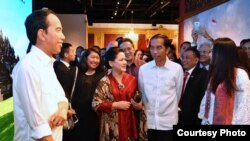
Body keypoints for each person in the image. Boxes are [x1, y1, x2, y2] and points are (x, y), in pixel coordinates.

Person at [12, 8, 68, 141]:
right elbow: (40, 131)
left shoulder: (47, 65)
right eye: (58, 30)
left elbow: (62, 98)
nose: (63, 36)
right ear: (42, 34)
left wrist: (62, 110)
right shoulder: (28, 67)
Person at [139, 34, 183, 141]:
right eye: (152, 48)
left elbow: (178, 94)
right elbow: (142, 92)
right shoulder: (144, 69)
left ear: (167, 49)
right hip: (149, 122)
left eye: (159, 47)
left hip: (168, 122)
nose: (155, 51)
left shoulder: (176, 69)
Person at [198, 37, 250, 125]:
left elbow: (243, 107)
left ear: (222, 54)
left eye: (212, 51)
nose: (210, 55)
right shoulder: (215, 73)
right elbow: (208, 101)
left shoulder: (240, 74)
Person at [92, 47, 140, 141]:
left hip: (129, 121)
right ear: (111, 63)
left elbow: (137, 98)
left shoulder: (132, 80)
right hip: (111, 125)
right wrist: (115, 105)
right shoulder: (104, 81)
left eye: (125, 59)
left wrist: (139, 104)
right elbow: (95, 104)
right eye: (121, 60)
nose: (125, 62)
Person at [70, 47, 106, 141]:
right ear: (86, 58)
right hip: (78, 114)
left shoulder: (102, 74)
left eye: (97, 58)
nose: (95, 60)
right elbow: (68, 91)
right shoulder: (76, 72)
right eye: (92, 57)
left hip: (95, 116)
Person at [178, 47, 208, 124]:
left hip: (194, 118)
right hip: (178, 117)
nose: (184, 60)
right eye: (183, 58)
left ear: (196, 60)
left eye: (187, 58)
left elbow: (203, 98)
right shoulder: (179, 73)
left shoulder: (203, 75)